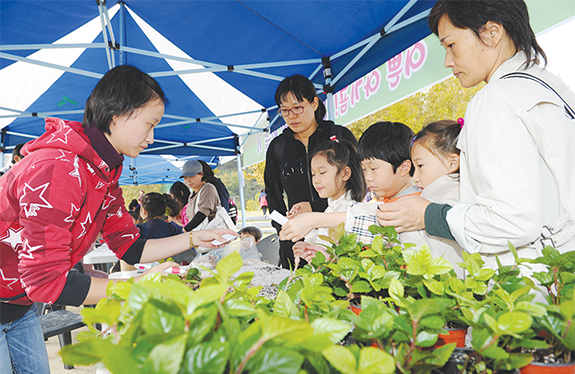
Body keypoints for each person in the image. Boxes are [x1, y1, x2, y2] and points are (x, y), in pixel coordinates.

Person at [0, 65, 236, 374]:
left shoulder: (104, 170)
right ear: (118, 114)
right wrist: (133, 287)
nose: (152, 138)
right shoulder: (58, 168)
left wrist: (193, 238)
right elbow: (47, 280)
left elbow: (130, 246)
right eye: (149, 124)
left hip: (19, 307)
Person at [377, 0, 575, 270]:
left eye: (450, 45)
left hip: (531, 284)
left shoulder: (495, 99)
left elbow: (512, 221)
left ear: (492, 32)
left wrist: (428, 215)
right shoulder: (553, 87)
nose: (448, 61)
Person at [264, 74, 357, 269]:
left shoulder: (339, 136)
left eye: (297, 108)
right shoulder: (278, 147)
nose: (292, 116)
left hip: (337, 235)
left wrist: (313, 207)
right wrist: (283, 226)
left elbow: (357, 183)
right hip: (295, 240)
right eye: (285, 111)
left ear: (314, 103)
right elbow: (272, 192)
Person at [280, 121, 419, 246]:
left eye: (374, 168)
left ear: (404, 167)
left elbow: (368, 220)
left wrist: (313, 220)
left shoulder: (416, 203)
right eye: (364, 169)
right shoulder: (385, 203)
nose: (368, 177)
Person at [405, 119, 465, 277]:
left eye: (420, 166)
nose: (415, 177)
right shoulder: (459, 196)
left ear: (453, 163)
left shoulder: (446, 201)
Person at [291, 138, 367, 262]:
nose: (316, 180)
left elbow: (349, 258)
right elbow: (322, 244)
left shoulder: (350, 210)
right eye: (313, 174)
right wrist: (309, 248)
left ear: (345, 174)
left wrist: (328, 257)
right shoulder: (330, 208)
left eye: (322, 172)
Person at [181, 159, 220, 232]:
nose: (188, 180)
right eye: (185, 177)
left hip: (210, 235)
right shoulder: (192, 194)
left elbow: (202, 213)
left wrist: (184, 230)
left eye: (191, 176)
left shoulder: (208, 188)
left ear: (201, 174)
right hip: (198, 235)